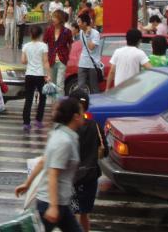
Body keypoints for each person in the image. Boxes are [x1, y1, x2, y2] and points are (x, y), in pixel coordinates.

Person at [15, 97, 84, 232]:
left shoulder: (61, 135)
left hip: (59, 202)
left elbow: (43, 161)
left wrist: (27, 184)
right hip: (51, 203)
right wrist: (53, 207)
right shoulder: (64, 141)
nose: (84, 116)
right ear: (75, 117)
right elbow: (53, 174)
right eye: (82, 113)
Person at [68, 88, 104, 232]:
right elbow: (104, 150)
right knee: (84, 214)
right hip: (90, 177)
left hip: (73, 178)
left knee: (74, 213)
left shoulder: (69, 127)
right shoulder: (95, 125)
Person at [22, 25, 50, 131]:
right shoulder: (43, 46)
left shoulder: (26, 46)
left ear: (30, 34)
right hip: (40, 75)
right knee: (43, 99)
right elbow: (45, 61)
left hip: (29, 75)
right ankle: (38, 121)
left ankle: (26, 123)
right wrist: (48, 74)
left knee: (28, 99)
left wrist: (31, 59)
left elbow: (23, 61)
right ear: (40, 35)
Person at [44, 10, 73, 95]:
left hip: (62, 59)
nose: (53, 19)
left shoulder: (67, 31)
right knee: (51, 83)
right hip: (51, 59)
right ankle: (52, 103)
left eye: (55, 17)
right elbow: (44, 43)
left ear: (60, 19)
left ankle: (60, 103)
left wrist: (68, 55)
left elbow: (71, 44)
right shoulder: (49, 30)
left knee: (60, 84)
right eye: (53, 17)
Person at [76, 14, 102, 94]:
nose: (78, 24)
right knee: (80, 86)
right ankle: (81, 104)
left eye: (79, 22)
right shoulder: (81, 32)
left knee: (94, 87)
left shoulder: (95, 33)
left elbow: (91, 47)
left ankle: (96, 104)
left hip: (93, 64)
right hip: (82, 63)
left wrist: (87, 36)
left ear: (84, 23)